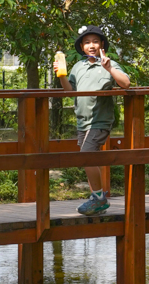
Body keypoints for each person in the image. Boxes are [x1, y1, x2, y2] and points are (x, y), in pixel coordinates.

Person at [54, 25, 131, 216]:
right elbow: (70, 91)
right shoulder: (78, 66)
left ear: (102, 44)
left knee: (86, 156)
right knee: (88, 158)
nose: (91, 45)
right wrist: (61, 75)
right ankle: (96, 197)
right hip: (83, 121)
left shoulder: (107, 63)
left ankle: (98, 199)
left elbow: (126, 83)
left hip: (100, 121)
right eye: (87, 42)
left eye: (95, 41)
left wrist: (110, 68)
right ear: (81, 46)